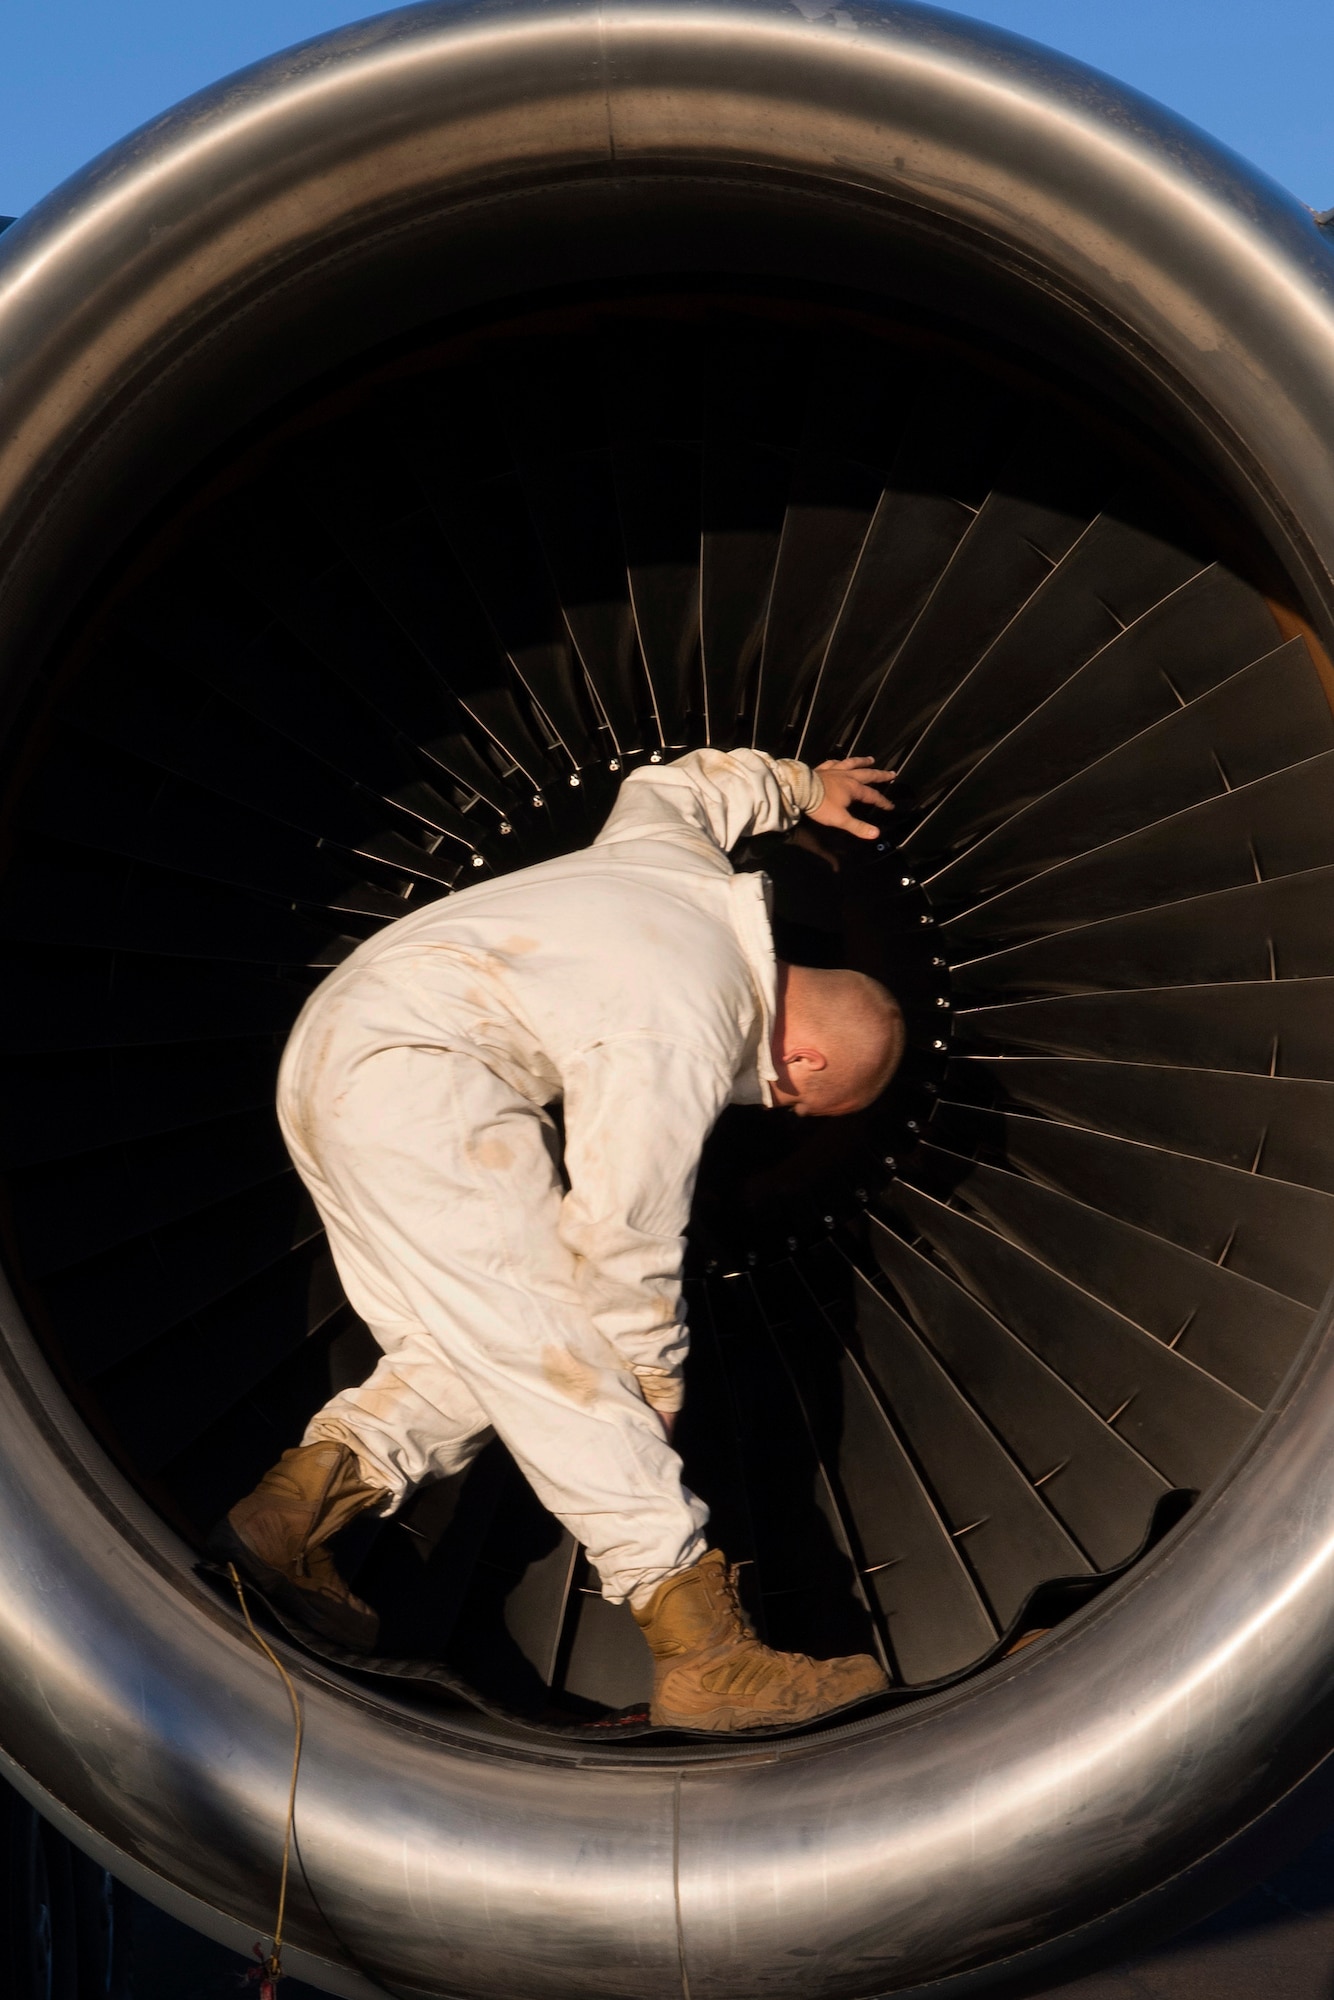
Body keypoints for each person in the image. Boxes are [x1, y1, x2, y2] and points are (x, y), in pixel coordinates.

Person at [214, 749, 905, 1732]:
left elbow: (672, 787)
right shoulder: (686, 1027)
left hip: (336, 1044)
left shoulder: (680, 874)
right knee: (560, 1353)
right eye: (798, 1098)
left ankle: (293, 1513)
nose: (776, 1104)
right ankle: (701, 1646)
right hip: (419, 1075)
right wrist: (652, 1379)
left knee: (470, 1345)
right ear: (802, 1054)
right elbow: (622, 1236)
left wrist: (795, 785)